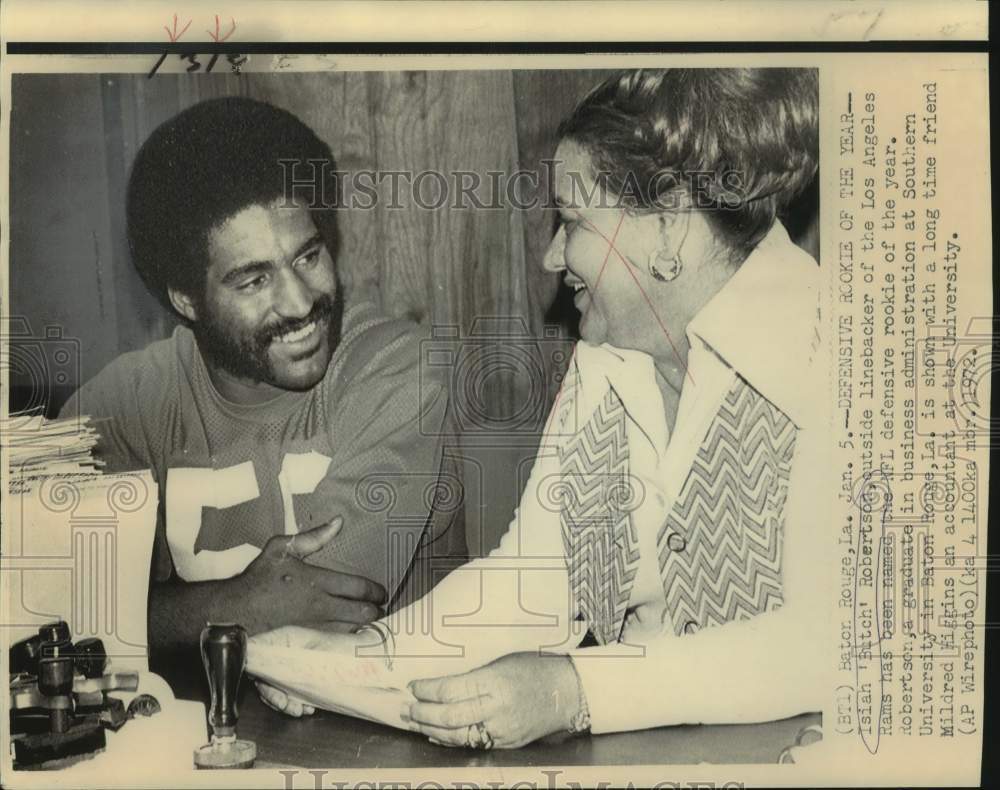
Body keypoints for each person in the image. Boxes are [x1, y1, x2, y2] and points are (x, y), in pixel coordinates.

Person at [255, 68, 825, 748]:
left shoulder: (840, 352)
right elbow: (535, 577)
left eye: (574, 221)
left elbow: (830, 641)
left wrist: (572, 691)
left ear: (669, 229)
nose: (553, 256)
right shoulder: (611, 352)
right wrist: (352, 657)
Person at [60, 97, 464, 662]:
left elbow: (329, 605)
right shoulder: (122, 406)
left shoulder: (393, 364)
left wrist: (159, 614)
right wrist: (237, 606)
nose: (300, 303)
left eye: (308, 256)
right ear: (186, 300)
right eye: (253, 281)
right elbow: (50, 612)